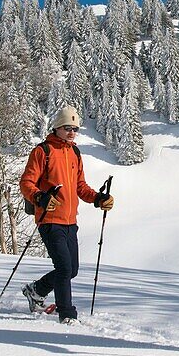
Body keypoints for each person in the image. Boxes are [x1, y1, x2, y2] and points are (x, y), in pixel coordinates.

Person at [19, 106, 113, 324]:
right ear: (57, 128)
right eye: (67, 128)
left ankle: (36, 290)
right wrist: (40, 197)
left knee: (72, 270)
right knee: (64, 268)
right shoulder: (43, 151)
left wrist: (98, 199)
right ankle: (67, 314)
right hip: (50, 220)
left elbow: (80, 187)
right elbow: (26, 183)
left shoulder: (75, 153)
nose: (72, 132)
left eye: (75, 129)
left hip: (71, 221)